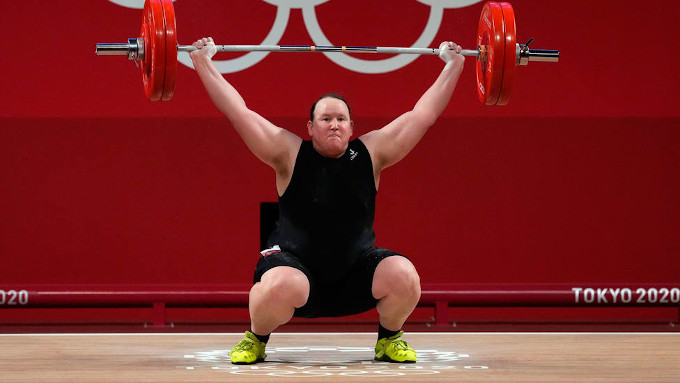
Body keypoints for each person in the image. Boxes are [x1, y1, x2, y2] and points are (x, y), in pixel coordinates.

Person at [190, 37, 465, 364]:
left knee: (404, 275)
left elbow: (424, 115)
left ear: (351, 127)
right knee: (277, 283)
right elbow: (238, 112)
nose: (334, 124)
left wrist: (454, 65)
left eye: (340, 119)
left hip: (354, 274)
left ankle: (389, 339)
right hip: (296, 274)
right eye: (325, 119)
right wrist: (203, 62)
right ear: (310, 126)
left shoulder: (372, 152)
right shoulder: (287, 152)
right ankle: (256, 339)